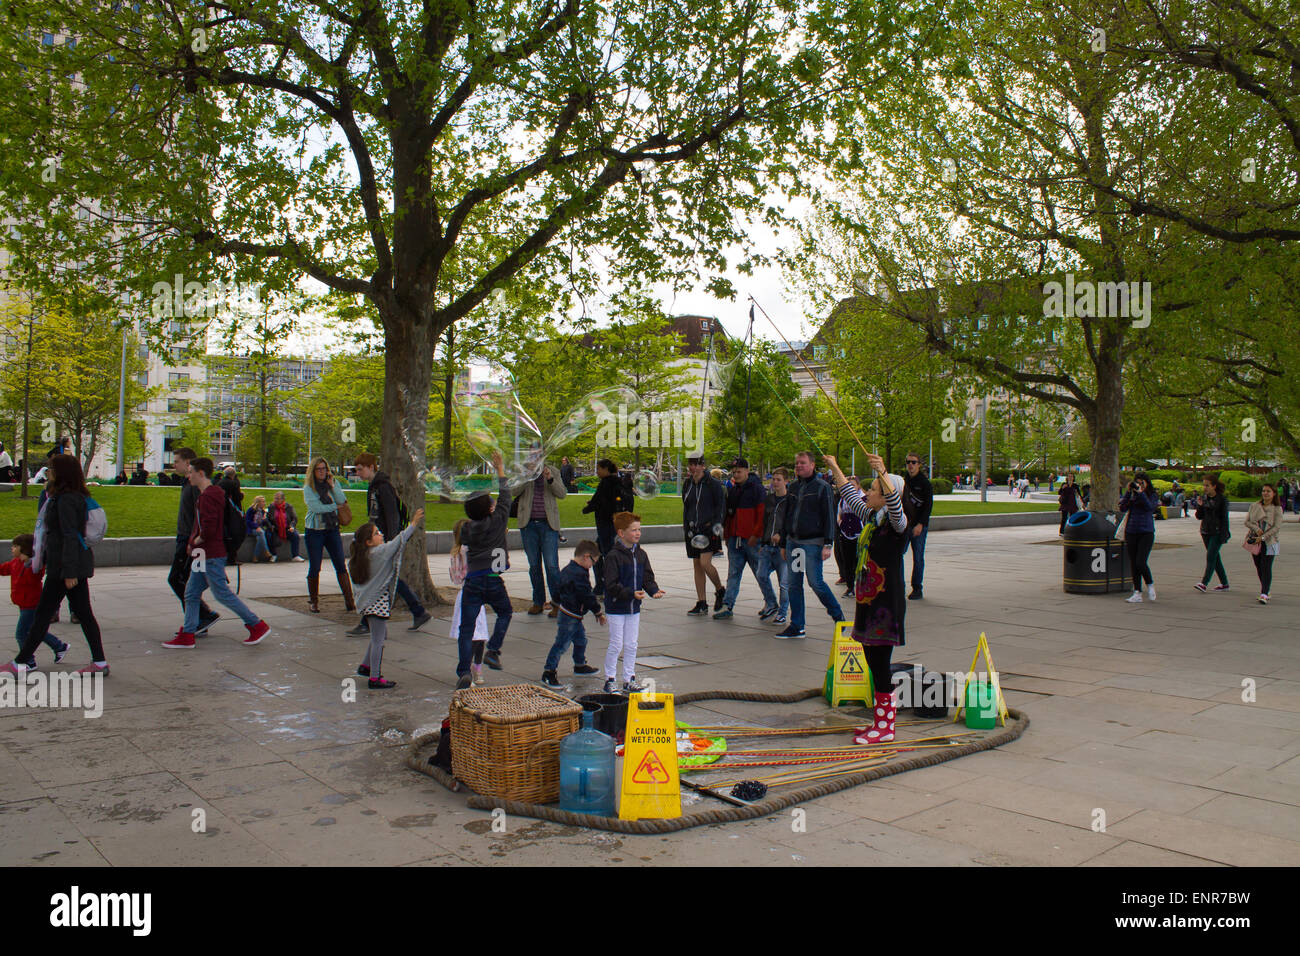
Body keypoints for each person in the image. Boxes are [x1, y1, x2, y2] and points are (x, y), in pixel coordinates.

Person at [825, 452, 908, 744]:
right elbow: (849, 494)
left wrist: (883, 472)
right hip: (870, 602)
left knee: (880, 664)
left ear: (886, 496)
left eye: (873, 490)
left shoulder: (897, 524)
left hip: (886, 604)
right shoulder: (874, 518)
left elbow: (897, 507)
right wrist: (835, 466)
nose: (868, 493)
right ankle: (880, 722)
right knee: (873, 661)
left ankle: (885, 728)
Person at [1, 455, 109, 677]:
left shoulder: (66, 499)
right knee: (82, 614)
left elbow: (69, 535)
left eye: (50, 468)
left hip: (64, 568)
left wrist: (69, 572)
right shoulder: (65, 496)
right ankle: (99, 663)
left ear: (61, 472)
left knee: (43, 614)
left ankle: (21, 663)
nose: (47, 471)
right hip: (68, 565)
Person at [162, 458, 272, 649]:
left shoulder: (208, 496)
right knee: (191, 592)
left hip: (209, 553)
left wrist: (194, 542)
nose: (188, 476)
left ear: (201, 473)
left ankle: (256, 625)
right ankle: (188, 634)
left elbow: (209, 529)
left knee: (220, 593)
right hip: (204, 553)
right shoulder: (212, 494)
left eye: (191, 472)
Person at [350, 453, 431, 634]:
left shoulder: (383, 487)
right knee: (386, 578)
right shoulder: (375, 486)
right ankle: (418, 612)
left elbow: (392, 515)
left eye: (360, 469)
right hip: (378, 539)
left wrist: (393, 541)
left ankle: (367, 623)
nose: (358, 472)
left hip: (383, 540)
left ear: (371, 467)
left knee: (381, 577)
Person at [346, 508, 426, 690]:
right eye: (376, 533)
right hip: (377, 603)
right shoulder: (379, 553)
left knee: (379, 636)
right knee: (378, 641)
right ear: (368, 542)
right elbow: (400, 541)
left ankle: (366, 667)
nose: (380, 534)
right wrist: (413, 523)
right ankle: (374, 678)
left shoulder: (362, 556)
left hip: (369, 604)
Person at [455, 451, 512, 689]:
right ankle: (493, 650)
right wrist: (500, 470)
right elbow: (506, 497)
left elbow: (499, 502)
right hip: (493, 579)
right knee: (505, 612)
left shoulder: (466, 529)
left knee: (466, 628)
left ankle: (463, 671)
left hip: (473, 581)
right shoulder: (498, 521)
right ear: (490, 509)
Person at [777, 451, 844, 639]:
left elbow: (829, 516)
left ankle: (838, 615)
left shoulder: (823, 488)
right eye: (797, 463)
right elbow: (787, 515)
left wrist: (828, 544)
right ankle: (797, 625)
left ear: (812, 465)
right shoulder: (793, 487)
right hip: (794, 543)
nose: (798, 466)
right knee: (794, 584)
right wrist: (783, 543)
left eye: (803, 463)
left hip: (812, 543)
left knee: (816, 582)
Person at [602, 511, 664, 694]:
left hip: (633, 608)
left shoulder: (641, 554)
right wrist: (630, 593)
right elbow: (611, 584)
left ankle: (629, 678)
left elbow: (647, 576)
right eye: (633, 530)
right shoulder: (613, 556)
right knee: (616, 644)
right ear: (621, 533)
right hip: (616, 607)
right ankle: (610, 679)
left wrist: (653, 590)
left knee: (631, 644)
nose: (638, 533)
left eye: (639, 530)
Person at [166, 448, 220, 635]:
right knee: (187, 582)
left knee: (177, 579)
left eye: (177, 461)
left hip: (190, 540)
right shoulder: (187, 483)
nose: (174, 465)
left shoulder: (196, 486)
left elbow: (203, 515)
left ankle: (203, 616)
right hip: (186, 538)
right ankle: (197, 620)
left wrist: (195, 540)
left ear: (188, 462)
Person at [541, 540, 605, 688]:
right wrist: (598, 611)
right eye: (593, 562)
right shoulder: (579, 575)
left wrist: (555, 602)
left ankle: (580, 665)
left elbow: (558, 590)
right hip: (571, 615)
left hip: (571, 613)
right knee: (561, 644)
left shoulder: (567, 570)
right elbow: (587, 595)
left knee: (581, 640)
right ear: (586, 557)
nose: (593, 566)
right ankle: (549, 672)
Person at [716, 457, 774, 620]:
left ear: (747, 471)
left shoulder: (757, 489)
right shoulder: (733, 490)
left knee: (760, 573)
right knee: (733, 572)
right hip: (735, 538)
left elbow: (762, 514)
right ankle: (728, 604)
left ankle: (771, 602)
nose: (736, 474)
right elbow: (729, 515)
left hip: (751, 539)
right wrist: (727, 535)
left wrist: (756, 534)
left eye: (739, 471)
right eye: (734, 472)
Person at [1, 533, 70, 669]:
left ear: (23, 548)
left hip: (31, 604)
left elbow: (40, 571)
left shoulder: (35, 565)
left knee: (21, 633)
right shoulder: (15, 563)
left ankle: (29, 661)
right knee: (35, 631)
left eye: (15, 546)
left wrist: (32, 560)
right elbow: (3, 569)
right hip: (23, 603)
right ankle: (59, 646)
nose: (12, 549)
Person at [511, 459, 567, 617]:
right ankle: (538, 601)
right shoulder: (522, 470)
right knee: (534, 565)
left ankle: (557, 603)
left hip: (548, 525)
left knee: (552, 566)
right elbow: (513, 491)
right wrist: (526, 475)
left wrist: (550, 479)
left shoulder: (553, 470)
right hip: (528, 525)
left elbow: (562, 493)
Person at [302, 457, 353, 613]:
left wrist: (333, 486)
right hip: (315, 530)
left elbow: (342, 501)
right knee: (315, 566)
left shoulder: (331, 484)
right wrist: (334, 506)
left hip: (332, 529)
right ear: (313, 471)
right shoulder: (309, 488)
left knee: (340, 564)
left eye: (324, 468)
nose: (322, 471)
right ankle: (314, 601)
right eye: (319, 469)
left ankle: (349, 600)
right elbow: (316, 507)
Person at [681, 456, 726, 616]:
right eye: (690, 465)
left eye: (696, 465)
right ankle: (702, 602)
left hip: (708, 529)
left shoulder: (713, 484)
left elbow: (720, 507)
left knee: (705, 563)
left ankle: (720, 589)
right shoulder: (687, 484)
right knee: (697, 565)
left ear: (703, 466)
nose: (692, 468)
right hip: (693, 530)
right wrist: (687, 526)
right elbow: (686, 507)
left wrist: (715, 527)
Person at [449, 518, 490, 684]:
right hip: (471, 593)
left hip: (471, 593)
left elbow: (456, 579)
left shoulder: (461, 553)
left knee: (477, 634)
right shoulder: (465, 552)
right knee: (474, 634)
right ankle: (470, 668)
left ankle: (473, 667)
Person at [582, 459, 629, 597]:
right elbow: (608, 501)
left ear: (606, 469)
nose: (597, 472)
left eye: (599, 469)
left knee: (604, 554)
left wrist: (587, 508)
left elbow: (599, 500)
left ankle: (607, 586)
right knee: (599, 551)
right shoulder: (617, 482)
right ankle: (603, 585)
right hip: (613, 523)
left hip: (605, 522)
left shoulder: (606, 483)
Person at [757, 467, 791, 624]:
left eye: (778, 480)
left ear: (786, 481)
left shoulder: (791, 500)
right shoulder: (769, 499)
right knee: (761, 575)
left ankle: (783, 612)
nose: (775, 482)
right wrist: (762, 541)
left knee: (784, 582)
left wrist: (782, 536)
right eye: (773, 479)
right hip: (767, 545)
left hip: (782, 547)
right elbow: (765, 522)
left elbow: (792, 524)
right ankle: (771, 603)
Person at [1119, 472, 1159, 603]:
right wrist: (1128, 493)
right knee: (1133, 563)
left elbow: (1150, 508)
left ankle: (1150, 584)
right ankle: (1137, 592)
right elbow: (1122, 508)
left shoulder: (1151, 495)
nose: (1139, 486)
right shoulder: (1132, 495)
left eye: (1142, 483)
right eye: (1137, 483)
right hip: (1131, 530)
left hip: (1146, 531)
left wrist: (1141, 493)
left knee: (1140, 561)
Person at [902, 451, 933, 600]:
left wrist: (921, 524)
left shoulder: (925, 483)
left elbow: (928, 506)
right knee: (898, 554)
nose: (910, 465)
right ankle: (899, 585)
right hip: (905, 524)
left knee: (918, 557)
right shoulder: (904, 481)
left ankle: (917, 588)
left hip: (918, 525)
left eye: (913, 462)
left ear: (919, 465)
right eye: (908, 462)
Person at [1245, 484, 1283, 604]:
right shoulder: (1255, 506)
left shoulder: (1277, 508)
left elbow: (1276, 527)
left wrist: (1262, 537)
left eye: (1268, 491)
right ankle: (1266, 589)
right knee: (1259, 566)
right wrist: (1256, 529)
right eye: (1263, 491)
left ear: (1274, 494)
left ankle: (1264, 593)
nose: (1265, 493)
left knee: (1266, 566)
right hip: (1254, 539)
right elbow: (1247, 521)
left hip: (1271, 541)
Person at [1193, 475, 1231, 592]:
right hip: (1206, 531)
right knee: (1215, 558)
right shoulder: (1204, 499)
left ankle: (1204, 583)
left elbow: (1224, 518)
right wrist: (1199, 506)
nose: (1205, 488)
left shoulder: (1221, 500)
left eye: (1207, 485)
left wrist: (1224, 534)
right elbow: (1199, 516)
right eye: (1203, 485)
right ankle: (1224, 583)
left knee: (1211, 556)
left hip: (1217, 532)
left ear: (1214, 486)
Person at [833, 477, 864, 596]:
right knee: (847, 561)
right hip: (846, 534)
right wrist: (841, 524)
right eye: (848, 486)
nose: (850, 488)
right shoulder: (843, 500)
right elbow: (839, 514)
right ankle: (850, 587)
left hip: (859, 534)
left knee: (858, 562)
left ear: (858, 486)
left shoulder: (863, 499)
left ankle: (860, 587)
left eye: (853, 485)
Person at [267, 491, 304, 561]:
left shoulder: (288, 507)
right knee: (269, 535)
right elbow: (268, 519)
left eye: (278, 499)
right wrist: (271, 526)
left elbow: (294, 518)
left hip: (287, 528)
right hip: (275, 528)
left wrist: (292, 526)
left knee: (295, 536)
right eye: (275, 498)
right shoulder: (271, 507)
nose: (276, 500)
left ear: (283, 499)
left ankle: (295, 555)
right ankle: (273, 555)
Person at [245, 495, 274, 562]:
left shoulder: (263, 511)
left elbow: (263, 523)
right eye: (262, 502)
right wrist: (256, 526)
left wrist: (266, 522)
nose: (264, 503)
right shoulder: (251, 510)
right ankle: (266, 551)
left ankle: (255, 557)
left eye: (264, 501)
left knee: (260, 538)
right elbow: (248, 521)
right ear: (258, 503)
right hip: (251, 528)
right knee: (261, 533)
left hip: (259, 529)